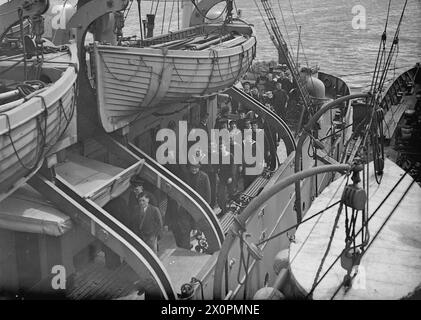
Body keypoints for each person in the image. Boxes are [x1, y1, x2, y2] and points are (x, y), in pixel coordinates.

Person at [103, 197, 130, 269]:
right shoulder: (121, 200)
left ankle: (111, 265)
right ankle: (119, 263)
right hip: (120, 228)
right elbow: (126, 216)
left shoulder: (105, 202)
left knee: (110, 248)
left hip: (109, 229)